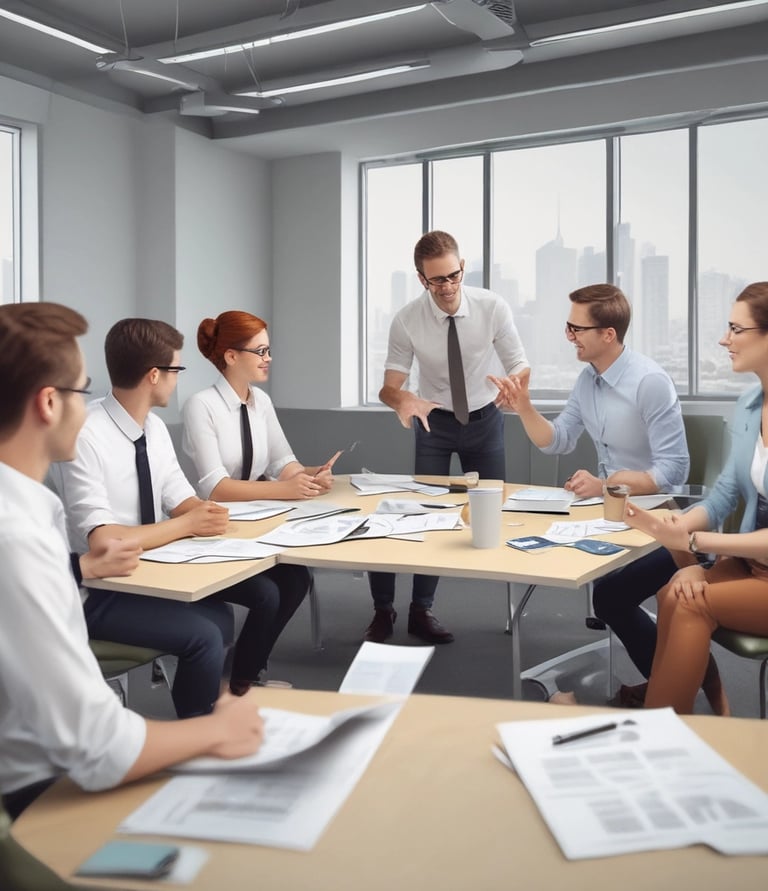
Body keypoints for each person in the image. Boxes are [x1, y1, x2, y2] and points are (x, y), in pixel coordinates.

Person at [0, 302, 264, 821]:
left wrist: (80, 569)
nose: (90, 405)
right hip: (42, 796)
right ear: (49, 403)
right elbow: (97, 749)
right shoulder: (17, 536)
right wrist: (214, 730)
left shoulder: (26, 509)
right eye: (83, 389)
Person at [52, 317, 309, 718]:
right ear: (154, 376)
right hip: (99, 585)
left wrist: (224, 521)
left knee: (254, 597)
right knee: (206, 632)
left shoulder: (152, 428)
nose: (177, 379)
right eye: (175, 369)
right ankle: (200, 735)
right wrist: (188, 524)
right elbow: (104, 540)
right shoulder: (86, 433)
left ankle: (218, 701)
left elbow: (181, 498)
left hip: (154, 565)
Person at [490, 283, 694, 703]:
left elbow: (675, 470)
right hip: (609, 512)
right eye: (568, 327)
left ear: (608, 334)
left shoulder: (650, 382)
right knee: (537, 544)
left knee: (610, 598)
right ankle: (667, 682)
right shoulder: (588, 381)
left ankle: (669, 687)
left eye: (575, 328)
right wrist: (524, 408)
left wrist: (606, 486)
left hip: (657, 516)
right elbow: (558, 440)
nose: (569, 337)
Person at [367, 230, 530, 644]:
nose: (447, 287)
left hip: (486, 418)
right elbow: (388, 387)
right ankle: (416, 610)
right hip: (433, 422)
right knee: (428, 515)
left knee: (493, 512)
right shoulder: (407, 319)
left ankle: (513, 609)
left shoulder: (492, 307)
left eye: (453, 276)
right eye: (436, 280)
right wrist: (401, 399)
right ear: (422, 279)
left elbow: (519, 365)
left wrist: (514, 390)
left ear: (463, 268)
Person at [624, 281, 768, 714]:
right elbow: (725, 493)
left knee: (691, 604)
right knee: (672, 592)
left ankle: (662, 735)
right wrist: (677, 527)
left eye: (735, 329)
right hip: (751, 565)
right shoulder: (748, 406)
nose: (725, 339)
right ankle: (695, 716)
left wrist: (695, 544)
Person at [182, 310, 334, 501]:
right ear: (231, 357)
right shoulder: (200, 405)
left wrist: (310, 476)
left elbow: (283, 463)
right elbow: (216, 487)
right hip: (212, 516)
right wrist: (285, 489)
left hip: (259, 511)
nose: (268, 358)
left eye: (269, 351)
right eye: (261, 351)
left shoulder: (261, 400)